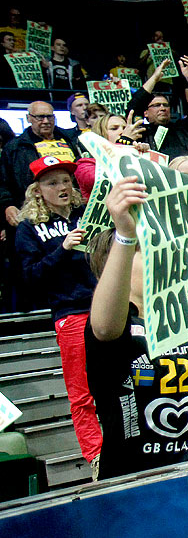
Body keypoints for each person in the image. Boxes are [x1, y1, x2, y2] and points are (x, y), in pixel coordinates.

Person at [84, 176, 188, 480]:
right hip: (133, 486)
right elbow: (105, 329)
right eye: (142, 248)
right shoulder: (115, 329)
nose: (159, 254)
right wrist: (124, 235)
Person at [15, 157, 100, 467]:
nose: (62, 187)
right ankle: (95, 458)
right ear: (37, 191)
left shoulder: (87, 214)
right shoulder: (28, 228)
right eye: (52, 183)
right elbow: (30, 277)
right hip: (70, 313)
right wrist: (61, 250)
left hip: (106, 307)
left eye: (65, 179)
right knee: (82, 393)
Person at [0, 101, 82, 225]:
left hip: (74, 209)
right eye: (40, 117)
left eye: (49, 116)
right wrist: (7, 205)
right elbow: (3, 180)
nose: (46, 121)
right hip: (33, 214)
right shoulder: (14, 147)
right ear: (28, 118)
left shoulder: (72, 140)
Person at [127, 56, 188, 159]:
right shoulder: (142, 133)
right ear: (146, 113)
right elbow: (133, 108)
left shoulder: (184, 128)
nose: (162, 108)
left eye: (165, 105)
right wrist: (154, 78)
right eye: (156, 105)